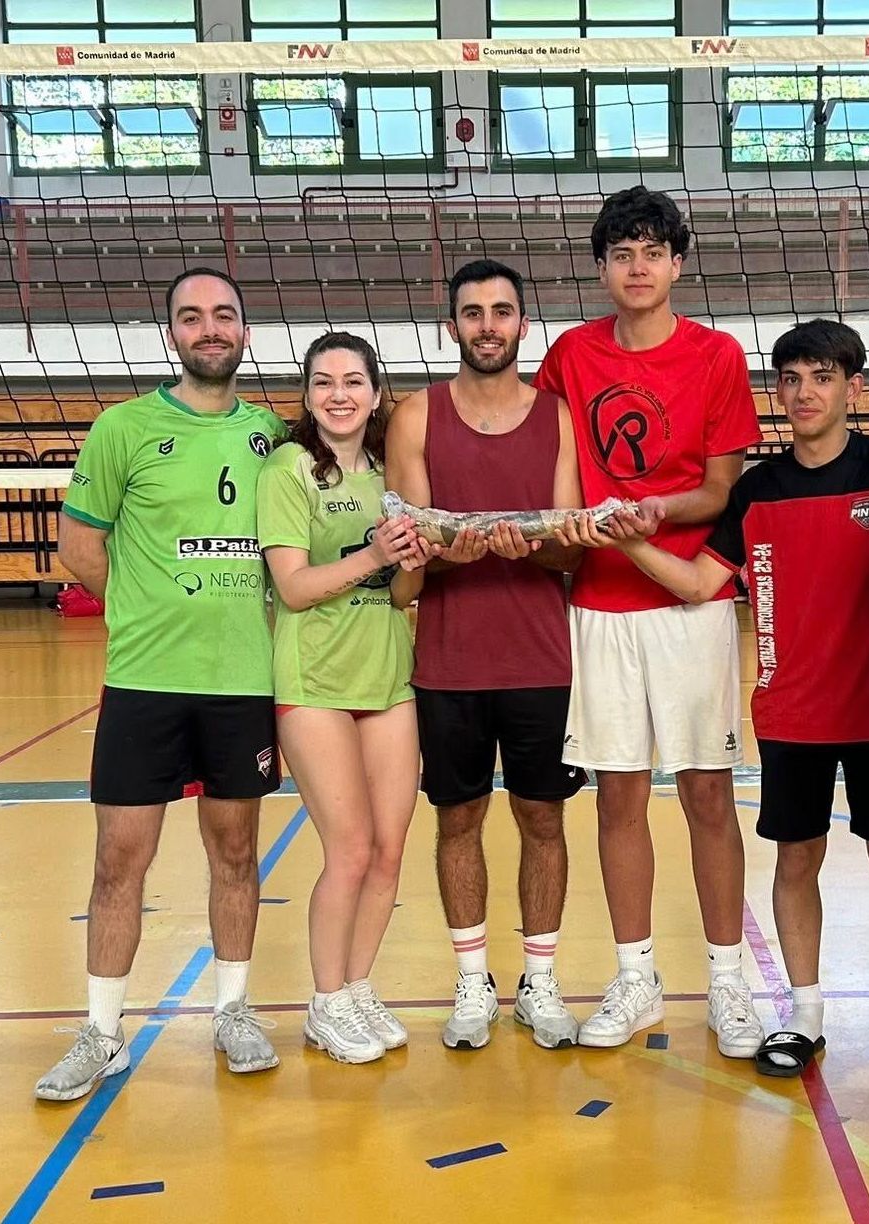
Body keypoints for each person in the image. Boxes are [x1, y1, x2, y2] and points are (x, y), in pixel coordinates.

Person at [584, 319, 869, 1080]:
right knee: (795, 858)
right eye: (791, 379)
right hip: (793, 713)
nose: (805, 393)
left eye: (822, 377)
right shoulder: (756, 490)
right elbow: (699, 583)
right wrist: (628, 542)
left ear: (854, 389)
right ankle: (805, 1013)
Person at [37, 268, 289, 1102]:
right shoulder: (124, 428)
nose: (208, 328)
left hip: (241, 680)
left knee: (236, 851)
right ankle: (102, 1033)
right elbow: (79, 546)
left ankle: (233, 1011)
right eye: (191, 316)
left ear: (245, 332)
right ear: (171, 334)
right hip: (145, 681)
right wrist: (144, 611)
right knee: (120, 858)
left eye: (223, 314)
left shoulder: (273, 437)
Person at [535, 186, 766, 1056]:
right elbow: (552, 463)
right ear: (602, 268)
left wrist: (645, 513)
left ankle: (728, 981)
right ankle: (635, 978)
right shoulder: (570, 354)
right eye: (622, 254)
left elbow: (718, 489)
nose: (638, 268)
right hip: (598, 604)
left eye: (652, 253)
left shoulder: (715, 355)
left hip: (686, 603)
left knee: (706, 793)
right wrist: (566, 528)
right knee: (619, 796)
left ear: (677, 263)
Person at [385, 260, 586, 1051]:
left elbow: (569, 550)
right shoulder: (415, 416)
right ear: (452, 328)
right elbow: (406, 551)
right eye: (472, 312)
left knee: (542, 818)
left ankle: (539, 980)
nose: (487, 325)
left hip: (540, 659)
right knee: (458, 819)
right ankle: (472, 982)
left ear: (522, 324)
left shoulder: (557, 417)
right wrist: (447, 554)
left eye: (501, 311)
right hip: (449, 661)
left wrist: (530, 546)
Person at [257, 332, 427, 1064]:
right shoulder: (289, 469)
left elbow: (403, 592)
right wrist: (374, 554)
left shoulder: (393, 472)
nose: (339, 394)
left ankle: (357, 988)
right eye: (323, 382)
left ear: (375, 392)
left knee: (389, 849)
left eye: (353, 381)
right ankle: (324, 1003)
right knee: (350, 849)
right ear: (306, 395)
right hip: (314, 681)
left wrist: (414, 558)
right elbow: (293, 588)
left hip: (387, 678)